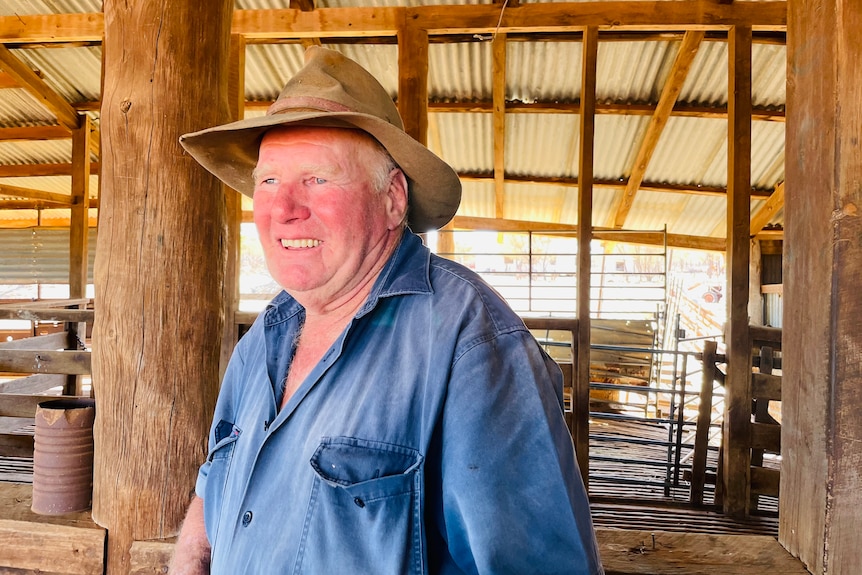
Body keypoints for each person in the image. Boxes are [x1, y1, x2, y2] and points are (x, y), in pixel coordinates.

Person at [170, 46, 604, 575]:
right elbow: (217, 482)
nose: (283, 209)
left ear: (394, 198)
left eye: (317, 179)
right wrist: (190, 556)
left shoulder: (472, 345)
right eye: (268, 181)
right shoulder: (264, 335)